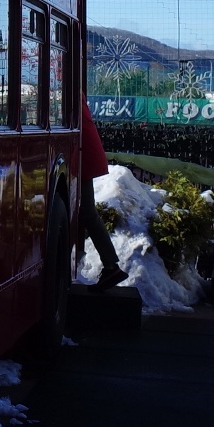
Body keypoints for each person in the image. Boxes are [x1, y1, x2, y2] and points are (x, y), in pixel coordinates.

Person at [77, 102, 128, 288]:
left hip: (84, 157)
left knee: (88, 212)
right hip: (85, 156)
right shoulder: (74, 90)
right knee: (86, 212)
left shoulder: (68, 91)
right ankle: (110, 266)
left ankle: (111, 266)